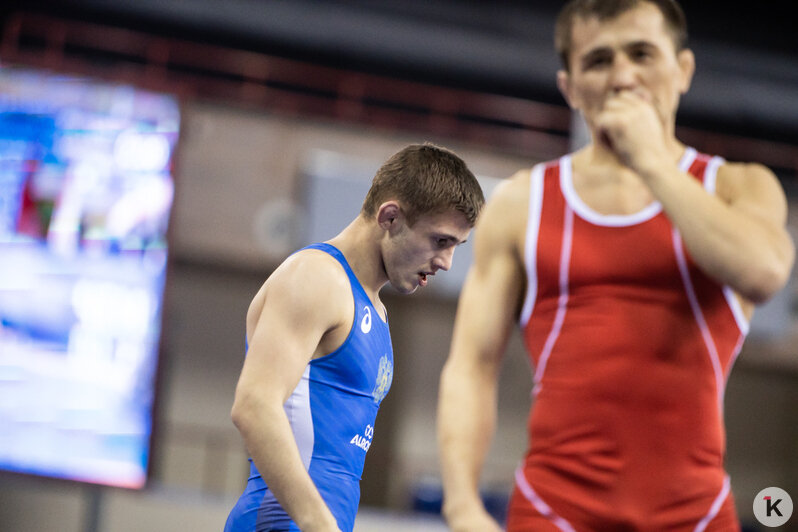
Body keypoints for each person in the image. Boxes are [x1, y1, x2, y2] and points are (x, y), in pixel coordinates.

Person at [437, 1, 794, 531]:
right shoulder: (522, 203)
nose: (624, 77)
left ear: (683, 70)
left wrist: (651, 159)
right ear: (571, 86)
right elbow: (472, 365)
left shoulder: (741, 186)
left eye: (642, 53)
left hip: (695, 517)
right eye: (599, 60)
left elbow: (764, 272)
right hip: (553, 513)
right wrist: (462, 504)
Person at [224, 143, 485, 532]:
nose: (446, 263)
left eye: (455, 247)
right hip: (281, 522)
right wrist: (318, 523)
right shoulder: (316, 278)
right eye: (440, 241)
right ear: (391, 217)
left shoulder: (375, 309)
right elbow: (254, 406)